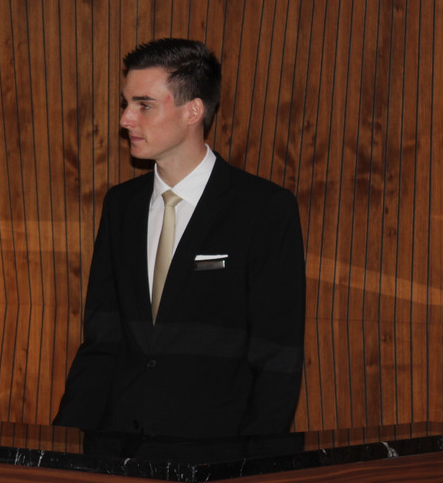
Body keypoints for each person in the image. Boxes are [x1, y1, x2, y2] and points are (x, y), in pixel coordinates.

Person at [53, 38, 305, 439]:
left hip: (216, 456)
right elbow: (102, 343)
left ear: (193, 111)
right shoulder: (121, 206)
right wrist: (63, 446)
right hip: (116, 452)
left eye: (144, 105)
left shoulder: (263, 209)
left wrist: (251, 463)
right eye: (126, 104)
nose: (126, 119)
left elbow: (278, 357)